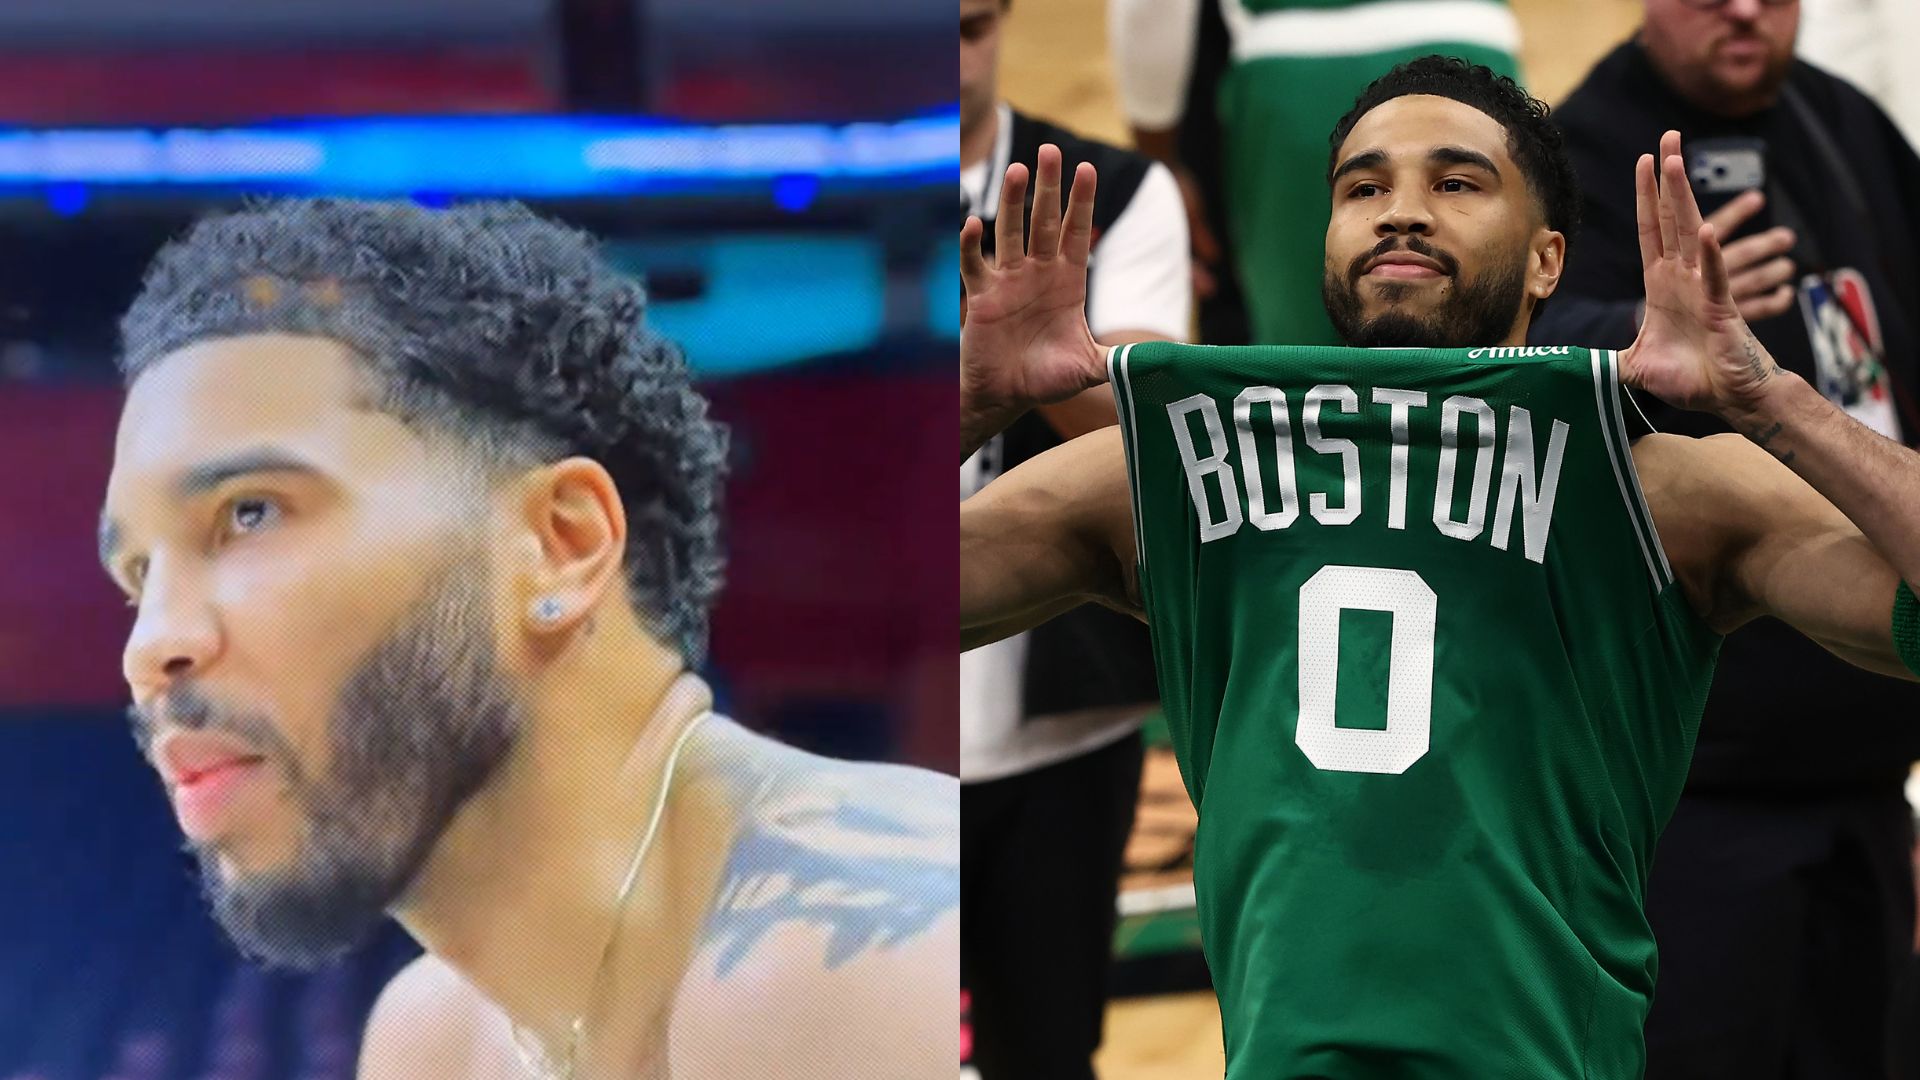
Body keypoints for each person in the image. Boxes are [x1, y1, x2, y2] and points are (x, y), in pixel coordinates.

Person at [959, 55, 1920, 1077]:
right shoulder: (1177, 470)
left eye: (1456, 183)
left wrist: (1771, 399)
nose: (1401, 212)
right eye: (1363, 188)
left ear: (1550, 260)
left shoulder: (1661, 486)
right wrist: (968, 405)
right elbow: (834, 620)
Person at [97, 200, 957, 1080]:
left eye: (249, 513)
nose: (150, 646)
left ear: (560, 546)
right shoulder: (431, 1040)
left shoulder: (853, 961)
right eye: (135, 575)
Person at [1529, 1, 1920, 1070]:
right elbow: (1502, 352)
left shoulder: (1844, 123)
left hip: (1868, 757)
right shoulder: (1573, 149)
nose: (1746, 10)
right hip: (1690, 795)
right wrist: (1634, 334)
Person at [960, 2, 1189, 1075]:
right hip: (856, 725)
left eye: (962, 28)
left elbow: (1158, 427)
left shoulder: (1117, 187)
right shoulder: (814, 183)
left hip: (1060, 728)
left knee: (1047, 1051)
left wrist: (1041, 362)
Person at [1107, 0, 1523, 346]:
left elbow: (1148, 8)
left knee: (1307, 369)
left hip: (1295, 81)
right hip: (1478, 52)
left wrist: (1160, 158)